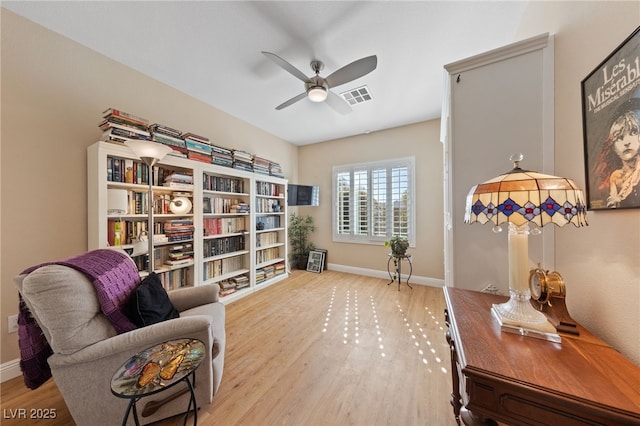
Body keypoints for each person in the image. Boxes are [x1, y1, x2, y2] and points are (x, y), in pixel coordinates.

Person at [593, 97, 640, 208]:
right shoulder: (616, 176)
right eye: (619, 137)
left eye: (633, 132)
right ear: (613, 146)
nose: (626, 142)